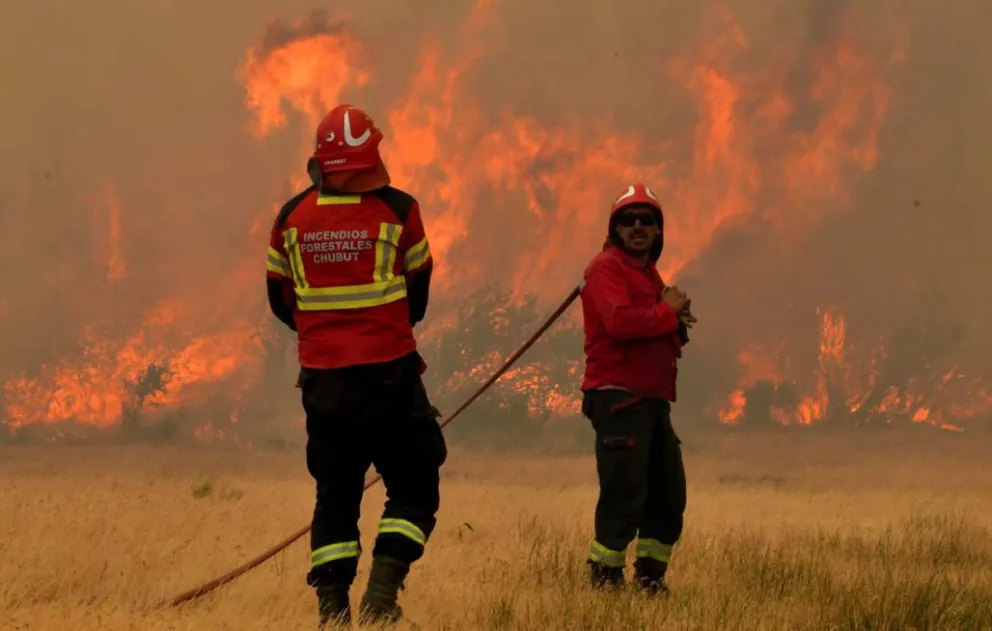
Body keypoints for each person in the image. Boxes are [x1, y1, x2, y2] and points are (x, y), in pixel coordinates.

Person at [265, 104, 447, 627]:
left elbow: (281, 301)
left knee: (336, 494)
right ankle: (383, 594)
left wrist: (324, 336)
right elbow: (419, 294)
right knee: (414, 484)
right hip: (390, 379)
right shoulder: (399, 210)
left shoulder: (291, 217)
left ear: (319, 161)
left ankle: (333, 610)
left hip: (324, 385)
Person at [577, 183, 697, 595]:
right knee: (624, 496)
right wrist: (667, 311)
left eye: (648, 220)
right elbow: (620, 323)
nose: (638, 227)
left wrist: (675, 320)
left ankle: (650, 581)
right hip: (619, 398)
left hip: (652, 402)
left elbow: (657, 329)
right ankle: (605, 581)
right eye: (629, 220)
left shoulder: (647, 273)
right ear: (616, 228)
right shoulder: (605, 268)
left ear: (659, 230)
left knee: (667, 498)